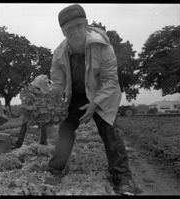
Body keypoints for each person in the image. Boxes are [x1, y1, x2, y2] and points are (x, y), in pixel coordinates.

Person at [41, 4, 140, 195]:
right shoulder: (59, 53)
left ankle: (123, 177)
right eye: (69, 30)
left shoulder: (103, 46)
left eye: (78, 26)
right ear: (63, 32)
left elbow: (111, 81)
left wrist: (95, 104)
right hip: (76, 95)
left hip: (101, 93)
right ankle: (55, 169)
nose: (75, 32)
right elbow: (58, 86)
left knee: (109, 130)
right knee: (66, 129)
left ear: (86, 24)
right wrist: (48, 105)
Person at [14, 75, 50, 149]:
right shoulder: (30, 88)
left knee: (44, 123)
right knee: (24, 124)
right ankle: (18, 144)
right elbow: (25, 99)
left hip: (41, 109)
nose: (38, 89)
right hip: (29, 108)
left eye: (39, 88)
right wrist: (29, 107)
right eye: (37, 87)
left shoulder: (47, 91)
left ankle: (43, 142)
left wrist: (42, 107)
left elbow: (48, 102)